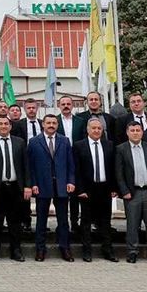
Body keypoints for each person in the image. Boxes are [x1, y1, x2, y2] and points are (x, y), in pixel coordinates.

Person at [115, 121, 147, 264]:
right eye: (132, 130)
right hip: (132, 193)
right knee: (132, 224)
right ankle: (132, 252)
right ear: (127, 132)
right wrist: (124, 190)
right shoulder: (121, 149)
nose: (135, 132)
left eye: (138, 130)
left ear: (142, 132)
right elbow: (119, 173)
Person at [27, 114, 75, 262]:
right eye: (48, 123)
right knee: (41, 220)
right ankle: (40, 249)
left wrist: (71, 181)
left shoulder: (65, 141)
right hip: (42, 185)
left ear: (57, 125)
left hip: (61, 185)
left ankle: (64, 248)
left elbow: (70, 164)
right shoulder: (34, 142)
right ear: (43, 124)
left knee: (63, 220)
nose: (51, 125)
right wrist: (33, 183)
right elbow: (30, 166)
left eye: (54, 123)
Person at [0, 116, 30, 262]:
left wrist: (27, 185)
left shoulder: (20, 142)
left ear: (10, 126)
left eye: (6, 124)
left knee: (14, 221)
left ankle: (16, 250)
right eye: (0, 124)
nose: (3, 126)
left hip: (16, 187)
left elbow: (25, 166)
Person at [72, 118, 118, 262]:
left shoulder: (110, 145)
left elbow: (113, 168)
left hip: (105, 188)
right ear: (87, 130)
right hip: (87, 189)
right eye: (94, 128)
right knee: (86, 222)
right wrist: (80, 189)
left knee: (105, 221)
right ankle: (86, 251)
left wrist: (113, 188)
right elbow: (76, 170)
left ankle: (108, 250)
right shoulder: (79, 146)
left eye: (99, 128)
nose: (97, 131)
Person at [58, 95, 87, 231]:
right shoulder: (55, 121)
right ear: (59, 106)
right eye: (63, 104)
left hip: (77, 159)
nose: (66, 106)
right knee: (60, 195)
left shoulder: (80, 121)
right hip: (59, 160)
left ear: (72, 105)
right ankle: (61, 224)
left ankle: (75, 223)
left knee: (76, 193)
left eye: (68, 104)